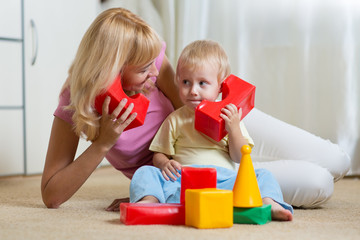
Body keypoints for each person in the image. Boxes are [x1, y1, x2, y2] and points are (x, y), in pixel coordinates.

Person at [41, 7, 350, 211]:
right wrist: (110, 149)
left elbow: (184, 100)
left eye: (156, 63)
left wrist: (231, 132)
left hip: (220, 119)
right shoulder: (75, 101)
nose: (155, 73)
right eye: (145, 69)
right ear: (114, 68)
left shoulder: (151, 60)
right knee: (318, 182)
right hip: (191, 168)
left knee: (337, 159)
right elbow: (51, 194)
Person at [129, 40, 293, 221]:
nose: (193, 91)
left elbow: (240, 157)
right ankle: (150, 201)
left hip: (223, 181)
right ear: (177, 80)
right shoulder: (175, 118)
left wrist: (233, 128)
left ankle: (269, 203)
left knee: (264, 176)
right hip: (184, 180)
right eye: (186, 82)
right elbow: (159, 154)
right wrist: (163, 164)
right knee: (146, 172)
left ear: (221, 86)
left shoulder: (230, 118)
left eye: (202, 83)